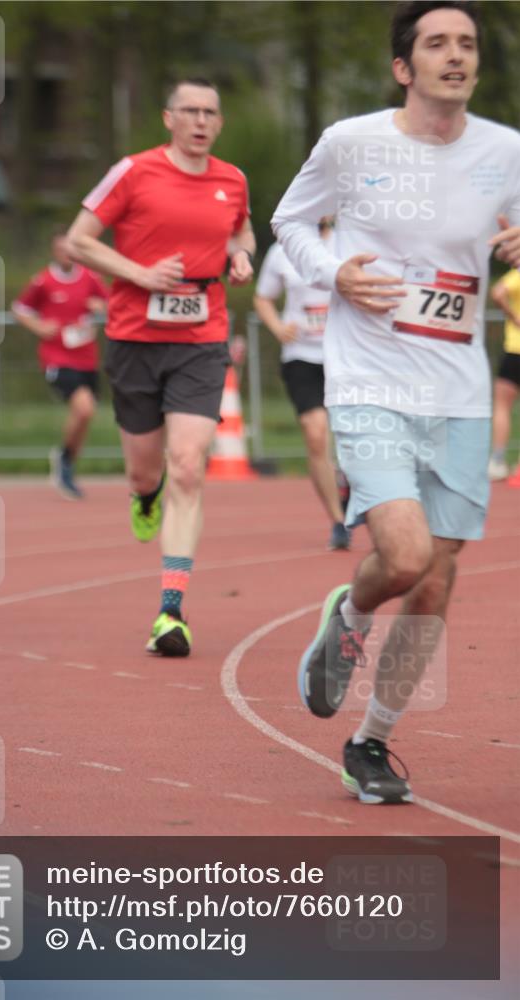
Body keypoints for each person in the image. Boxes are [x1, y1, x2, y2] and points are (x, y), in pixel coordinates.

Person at [272, 1, 520, 803]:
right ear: (402, 68)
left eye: (467, 44)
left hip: (457, 387)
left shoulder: (505, 153)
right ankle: (350, 609)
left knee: (438, 577)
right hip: (368, 378)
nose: (455, 55)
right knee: (406, 556)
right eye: (436, 44)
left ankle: (370, 741)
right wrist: (331, 273)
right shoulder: (351, 143)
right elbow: (289, 220)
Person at [68, 78, 255, 656]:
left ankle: (170, 610)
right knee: (147, 473)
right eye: (190, 111)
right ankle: (143, 497)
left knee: (189, 465)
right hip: (136, 338)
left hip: (202, 338)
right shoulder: (133, 171)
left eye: (210, 112)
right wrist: (140, 274)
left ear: (219, 123)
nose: (201, 120)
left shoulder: (233, 180)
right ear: (168, 119)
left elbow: (242, 227)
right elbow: (79, 241)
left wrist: (242, 253)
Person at [254, 218, 350, 550]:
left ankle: (349, 482)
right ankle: (338, 521)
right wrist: (278, 327)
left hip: (345, 353)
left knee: (353, 433)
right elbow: (263, 298)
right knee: (315, 432)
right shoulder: (281, 251)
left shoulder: (348, 240)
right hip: (301, 356)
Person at [12, 230, 109, 499]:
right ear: (54, 252)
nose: (67, 254)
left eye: (71, 249)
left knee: (84, 415)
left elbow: (113, 303)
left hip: (87, 358)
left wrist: (100, 306)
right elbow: (19, 309)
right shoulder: (43, 281)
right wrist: (39, 326)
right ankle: (65, 462)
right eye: (61, 250)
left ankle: (65, 460)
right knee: (84, 409)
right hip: (58, 357)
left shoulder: (90, 278)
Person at [488, 268, 520, 480]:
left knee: (502, 406)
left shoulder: (517, 274)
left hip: (515, 350)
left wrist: (514, 317)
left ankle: (498, 461)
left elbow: (498, 292)